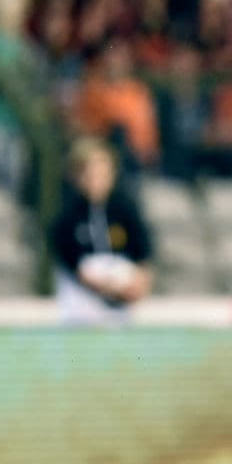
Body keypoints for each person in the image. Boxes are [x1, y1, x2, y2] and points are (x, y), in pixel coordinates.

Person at [50, 136, 155, 327]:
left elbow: (143, 251)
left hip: (121, 304)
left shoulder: (126, 210)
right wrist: (106, 286)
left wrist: (139, 283)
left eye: (102, 171)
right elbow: (71, 262)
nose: (96, 178)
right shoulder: (68, 216)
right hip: (81, 304)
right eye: (89, 172)